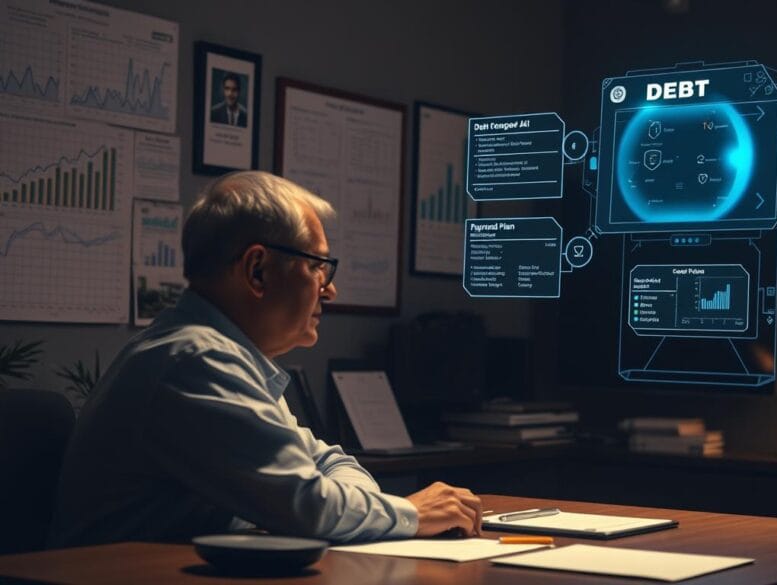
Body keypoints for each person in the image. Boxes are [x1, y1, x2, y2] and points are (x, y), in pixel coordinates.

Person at [48, 171, 482, 547]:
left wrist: (343, 506)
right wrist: (412, 513)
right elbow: (308, 506)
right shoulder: (197, 361)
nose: (330, 290)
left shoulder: (225, 356)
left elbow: (329, 465)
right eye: (318, 266)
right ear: (257, 270)